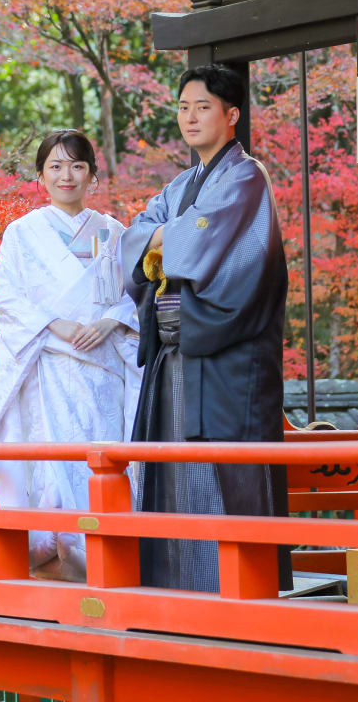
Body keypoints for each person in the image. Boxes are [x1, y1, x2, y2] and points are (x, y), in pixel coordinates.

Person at [120, 65, 291, 593]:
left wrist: (165, 244)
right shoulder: (180, 185)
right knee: (170, 467)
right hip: (175, 350)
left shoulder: (245, 178)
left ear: (231, 115)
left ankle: (239, 588)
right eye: (183, 107)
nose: (190, 117)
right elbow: (135, 238)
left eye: (203, 107)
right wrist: (164, 243)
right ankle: (177, 587)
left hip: (226, 355)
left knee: (224, 466)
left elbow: (198, 245)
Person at [0, 130, 141, 582]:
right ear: (40, 177)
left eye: (76, 166)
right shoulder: (22, 234)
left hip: (103, 369)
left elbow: (136, 295)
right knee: (53, 464)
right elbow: (6, 293)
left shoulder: (115, 233)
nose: (65, 175)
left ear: (92, 174)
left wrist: (109, 322)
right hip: (49, 366)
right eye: (55, 166)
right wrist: (56, 324)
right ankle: (57, 556)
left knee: (102, 457)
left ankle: (108, 558)